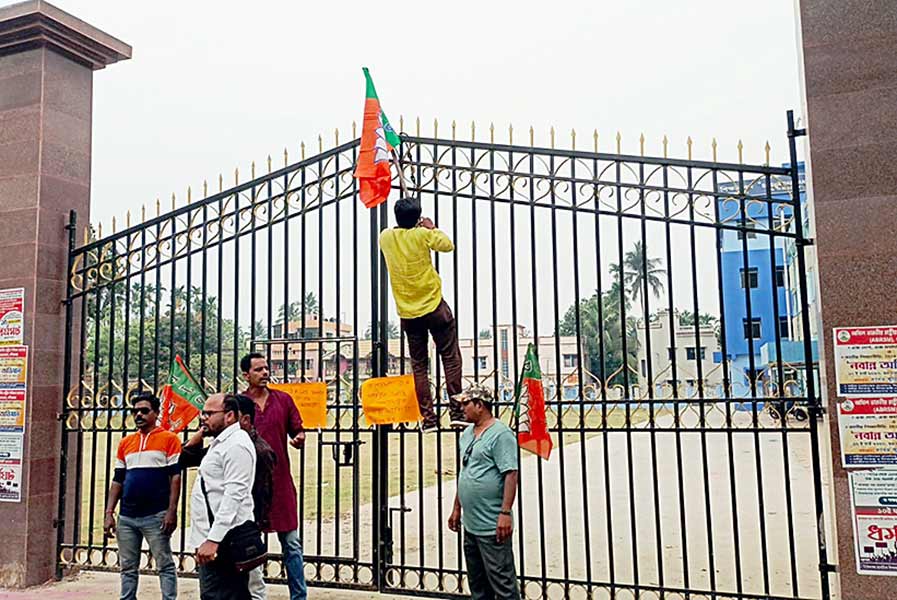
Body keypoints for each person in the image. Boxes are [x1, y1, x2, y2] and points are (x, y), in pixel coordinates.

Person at [378, 197, 465, 430]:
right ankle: (457, 411)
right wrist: (430, 227)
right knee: (450, 357)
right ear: (418, 217)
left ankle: (428, 419)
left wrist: (414, 224)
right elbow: (447, 245)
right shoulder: (423, 234)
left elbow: (397, 232)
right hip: (434, 305)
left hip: (408, 311)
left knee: (419, 365)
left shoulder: (385, 237)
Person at [180, 394, 277, 600]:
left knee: (224, 594)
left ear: (230, 416)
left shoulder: (236, 445)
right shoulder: (221, 442)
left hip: (226, 538)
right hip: (213, 536)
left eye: (209, 413)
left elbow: (234, 495)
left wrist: (213, 540)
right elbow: (185, 457)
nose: (203, 418)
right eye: (203, 413)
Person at [240, 353, 307, 600]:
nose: (265, 373)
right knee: (248, 545)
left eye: (266, 368)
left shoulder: (283, 400)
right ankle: (251, 594)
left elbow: (298, 429)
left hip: (280, 484)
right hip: (249, 485)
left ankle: (299, 597)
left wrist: (299, 438)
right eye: (258, 369)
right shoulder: (239, 403)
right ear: (246, 375)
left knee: (291, 545)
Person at [104, 391, 181, 600]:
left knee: (164, 564)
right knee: (127, 567)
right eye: (135, 411)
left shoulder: (169, 439)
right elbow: (117, 479)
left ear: (155, 413)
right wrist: (109, 512)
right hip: (127, 517)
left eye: (144, 411)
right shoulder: (126, 443)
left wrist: (171, 512)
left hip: (156, 515)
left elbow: (175, 478)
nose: (139, 415)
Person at [448, 386, 521, 600]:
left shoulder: (501, 434)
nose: (461, 408)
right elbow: (466, 472)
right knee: (478, 584)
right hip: (471, 524)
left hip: (492, 525)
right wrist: (456, 508)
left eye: (465, 404)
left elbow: (511, 474)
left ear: (480, 405)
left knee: (502, 583)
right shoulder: (467, 433)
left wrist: (505, 513)